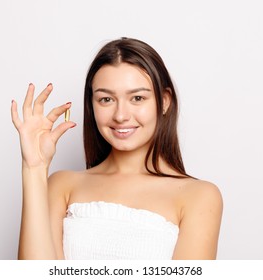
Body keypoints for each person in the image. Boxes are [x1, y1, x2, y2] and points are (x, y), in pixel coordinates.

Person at [11, 37, 223, 260]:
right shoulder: (62, 186)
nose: (121, 115)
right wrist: (34, 168)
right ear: (92, 105)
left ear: (165, 101)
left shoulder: (199, 197)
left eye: (137, 98)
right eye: (106, 100)